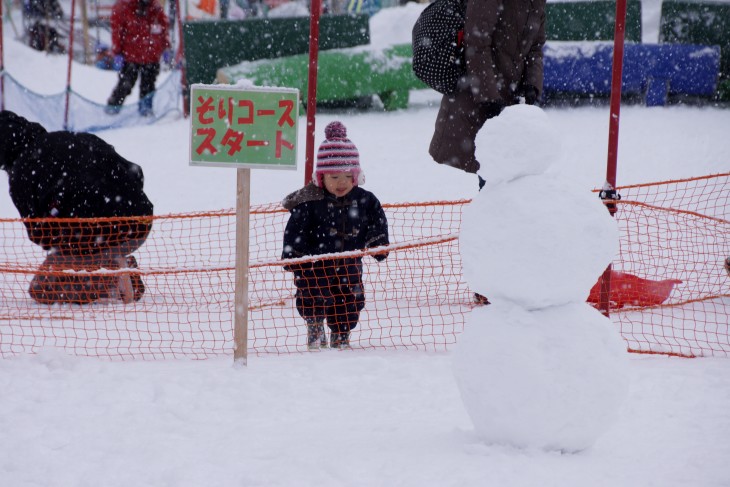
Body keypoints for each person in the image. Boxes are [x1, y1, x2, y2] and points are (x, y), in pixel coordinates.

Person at [0, 110, 153, 305]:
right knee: (70, 260)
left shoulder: (21, 174)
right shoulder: (74, 138)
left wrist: (66, 248)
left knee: (43, 289)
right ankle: (112, 265)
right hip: (139, 222)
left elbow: (39, 233)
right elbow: (135, 172)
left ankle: (108, 277)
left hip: (92, 236)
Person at [281, 121, 389, 350]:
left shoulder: (365, 200)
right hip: (312, 264)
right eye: (334, 177)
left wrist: (377, 243)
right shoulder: (310, 202)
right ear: (321, 177)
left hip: (349, 263)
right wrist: (293, 255)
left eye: (348, 177)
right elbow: (295, 228)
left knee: (350, 300)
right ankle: (315, 327)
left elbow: (377, 220)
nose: (342, 183)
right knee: (312, 295)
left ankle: (341, 334)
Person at [428, 0, 546, 191]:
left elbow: (536, 46)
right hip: (478, 98)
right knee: (494, 181)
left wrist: (531, 84)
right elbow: (476, 42)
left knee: (515, 184)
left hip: (512, 106)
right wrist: (490, 98)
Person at [105, 0, 170, 117]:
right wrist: (117, 51)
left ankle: (146, 108)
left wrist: (166, 47)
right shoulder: (124, 7)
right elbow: (117, 30)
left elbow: (163, 28)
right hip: (131, 56)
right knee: (126, 83)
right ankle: (113, 107)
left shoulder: (155, 8)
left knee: (149, 84)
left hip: (151, 56)